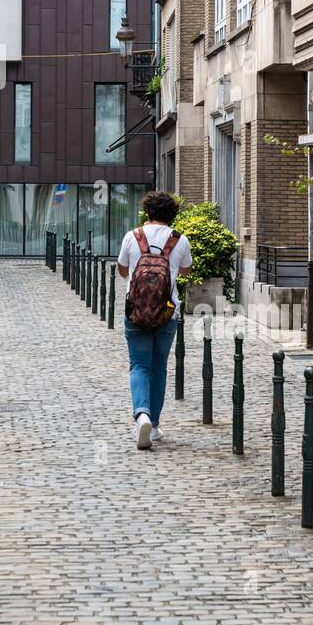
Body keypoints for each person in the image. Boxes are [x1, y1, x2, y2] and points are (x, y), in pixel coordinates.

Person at [117, 192, 193, 450]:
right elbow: (185, 270)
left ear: (147, 211)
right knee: (159, 367)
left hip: (135, 311)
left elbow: (123, 269)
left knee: (139, 365)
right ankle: (156, 424)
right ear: (172, 214)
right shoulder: (179, 240)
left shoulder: (133, 236)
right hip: (166, 313)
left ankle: (142, 415)